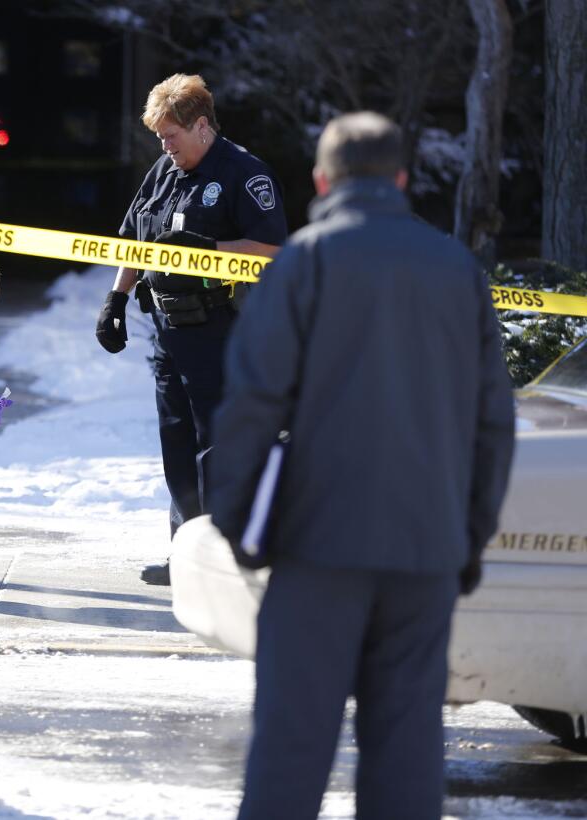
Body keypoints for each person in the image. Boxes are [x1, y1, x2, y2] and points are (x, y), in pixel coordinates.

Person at [208, 112, 516, 819]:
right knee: (408, 748)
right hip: (425, 547)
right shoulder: (458, 271)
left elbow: (251, 404)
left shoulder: (304, 263)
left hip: (319, 543)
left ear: (321, 179)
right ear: (401, 179)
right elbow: (493, 423)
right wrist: (465, 537)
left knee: (293, 743)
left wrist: (239, 521)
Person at [95, 73, 288, 585]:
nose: (164, 145)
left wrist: (212, 252)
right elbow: (134, 239)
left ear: (201, 126)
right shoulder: (163, 171)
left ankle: (223, 556)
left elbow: (273, 250)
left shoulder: (244, 175)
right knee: (176, 441)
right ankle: (185, 550)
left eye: (171, 136)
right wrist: (116, 298)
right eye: (159, 137)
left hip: (221, 330)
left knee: (217, 444)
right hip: (167, 328)